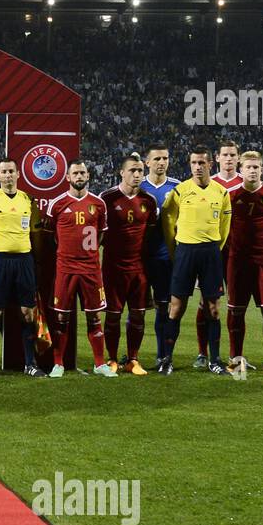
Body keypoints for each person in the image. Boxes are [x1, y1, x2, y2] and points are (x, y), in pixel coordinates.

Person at [158, 146, 232, 375]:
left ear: (210, 164)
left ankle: (215, 360)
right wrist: (176, 251)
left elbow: (224, 228)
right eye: (194, 163)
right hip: (185, 252)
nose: (198, 167)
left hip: (211, 253)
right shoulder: (180, 191)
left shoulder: (221, 192)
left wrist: (215, 248)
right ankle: (167, 359)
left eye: (202, 163)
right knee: (176, 307)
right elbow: (168, 223)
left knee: (213, 309)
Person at [40, 161, 114, 377]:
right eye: (75, 173)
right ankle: (58, 364)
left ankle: (99, 364)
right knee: (61, 318)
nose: (79, 176)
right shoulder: (57, 204)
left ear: (88, 175)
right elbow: (50, 237)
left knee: (94, 317)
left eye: (82, 172)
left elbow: (101, 234)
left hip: (91, 269)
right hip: (66, 269)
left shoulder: (98, 203)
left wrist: (88, 253)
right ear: (68, 177)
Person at [0, 158, 46, 378]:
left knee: (27, 312)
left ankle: (30, 364)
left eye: (11, 171)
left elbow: (36, 233)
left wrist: (37, 262)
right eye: (4, 172)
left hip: (24, 261)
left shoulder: (28, 200)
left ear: (18, 174)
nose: (7, 175)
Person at [224, 151, 263, 376]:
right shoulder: (230, 195)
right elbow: (223, 227)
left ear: (262, 169)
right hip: (238, 263)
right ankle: (236, 362)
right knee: (236, 311)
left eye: (256, 167)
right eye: (248, 167)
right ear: (240, 170)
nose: (252, 170)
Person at [99, 155, 159, 375]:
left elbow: (150, 234)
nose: (137, 174)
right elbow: (99, 234)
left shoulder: (149, 200)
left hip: (139, 268)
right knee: (113, 315)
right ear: (121, 172)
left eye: (140, 171)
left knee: (138, 314)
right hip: (113, 268)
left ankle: (133, 359)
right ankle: (112, 359)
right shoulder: (107, 198)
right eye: (132, 170)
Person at [194, 140, 243, 368]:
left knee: (236, 304)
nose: (229, 158)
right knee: (206, 302)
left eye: (233, 154)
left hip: (237, 253)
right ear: (217, 158)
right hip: (211, 252)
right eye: (225, 154)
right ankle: (202, 354)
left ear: (238, 158)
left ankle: (234, 356)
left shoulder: (247, 183)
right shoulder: (208, 183)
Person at [139, 143, 179, 367]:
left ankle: (162, 355)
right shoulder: (138, 187)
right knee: (136, 309)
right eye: (157, 159)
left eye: (165, 158)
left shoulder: (177, 188)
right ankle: (131, 356)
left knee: (164, 308)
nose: (161, 162)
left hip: (166, 258)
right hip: (141, 259)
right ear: (147, 162)